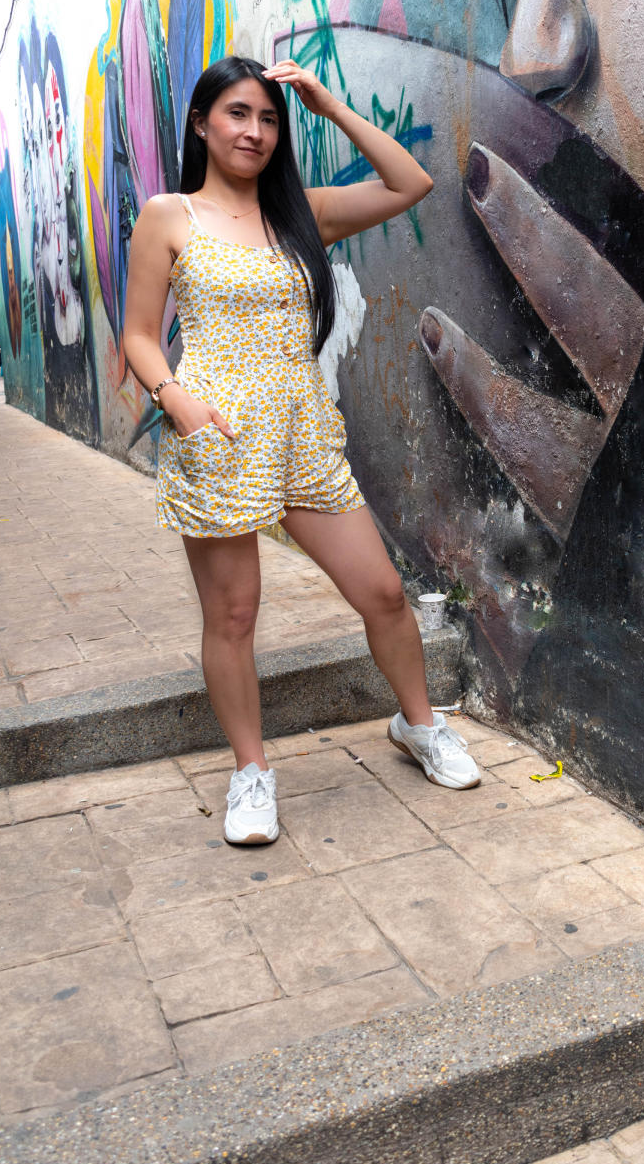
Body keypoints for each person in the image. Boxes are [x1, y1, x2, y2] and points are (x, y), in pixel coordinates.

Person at [123, 54, 481, 845]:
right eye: (237, 114)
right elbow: (140, 334)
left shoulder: (301, 214)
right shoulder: (168, 215)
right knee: (233, 615)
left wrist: (330, 107)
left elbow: (410, 183)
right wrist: (177, 400)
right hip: (216, 438)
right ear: (200, 123)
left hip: (304, 434)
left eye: (268, 118)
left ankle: (419, 726)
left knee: (382, 592)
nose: (254, 131)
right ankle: (251, 774)